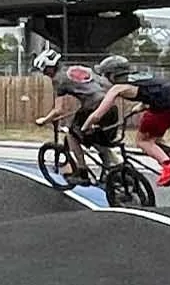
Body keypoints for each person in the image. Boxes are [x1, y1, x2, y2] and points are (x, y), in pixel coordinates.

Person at [84, 56, 170, 185]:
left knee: (142, 141)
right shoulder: (140, 75)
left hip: (166, 107)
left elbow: (97, 115)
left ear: (112, 75)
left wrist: (86, 126)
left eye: (105, 75)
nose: (104, 79)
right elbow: (154, 91)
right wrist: (140, 106)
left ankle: (169, 166)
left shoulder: (118, 87)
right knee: (153, 133)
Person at [31, 48, 114, 184]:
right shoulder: (80, 69)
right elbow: (101, 86)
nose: (46, 74)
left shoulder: (58, 80)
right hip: (110, 106)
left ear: (51, 67)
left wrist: (44, 120)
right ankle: (112, 170)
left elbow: (58, 110)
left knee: (71, 135)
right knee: (100, 140)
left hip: (93, 107)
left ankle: (82, 173)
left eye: (45, 70)